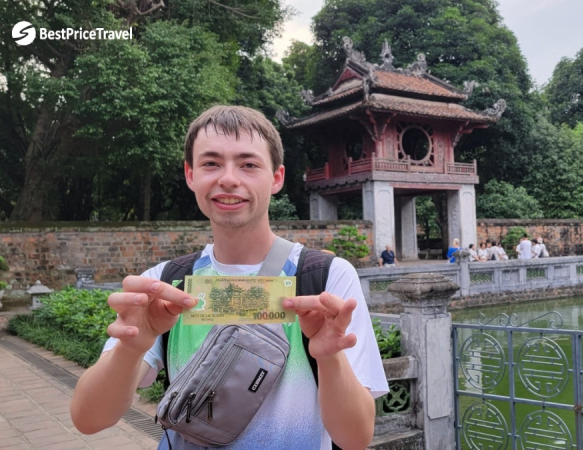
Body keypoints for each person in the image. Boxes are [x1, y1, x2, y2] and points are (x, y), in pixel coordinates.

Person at [70, 105, 388, 450]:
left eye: (249, 164)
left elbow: (355, 439)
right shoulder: (164, 284)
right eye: (211, 163)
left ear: (277, 177)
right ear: (191, 175)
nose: (229, 179)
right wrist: (131, 348)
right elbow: (89, 419)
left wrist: (329, 357)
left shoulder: (326, 279)